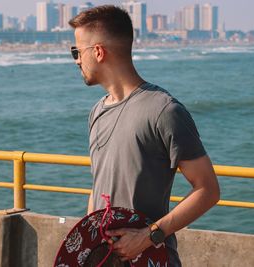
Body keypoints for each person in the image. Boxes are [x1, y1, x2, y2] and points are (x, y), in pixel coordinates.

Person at [69, 5, 220, 266]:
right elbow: (98, 187)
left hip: (153, 259)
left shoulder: (163, 110)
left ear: (98, 52)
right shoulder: (96, 112)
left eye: (76, 51)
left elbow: (208, 189)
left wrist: (148, 236)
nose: (76, 60)